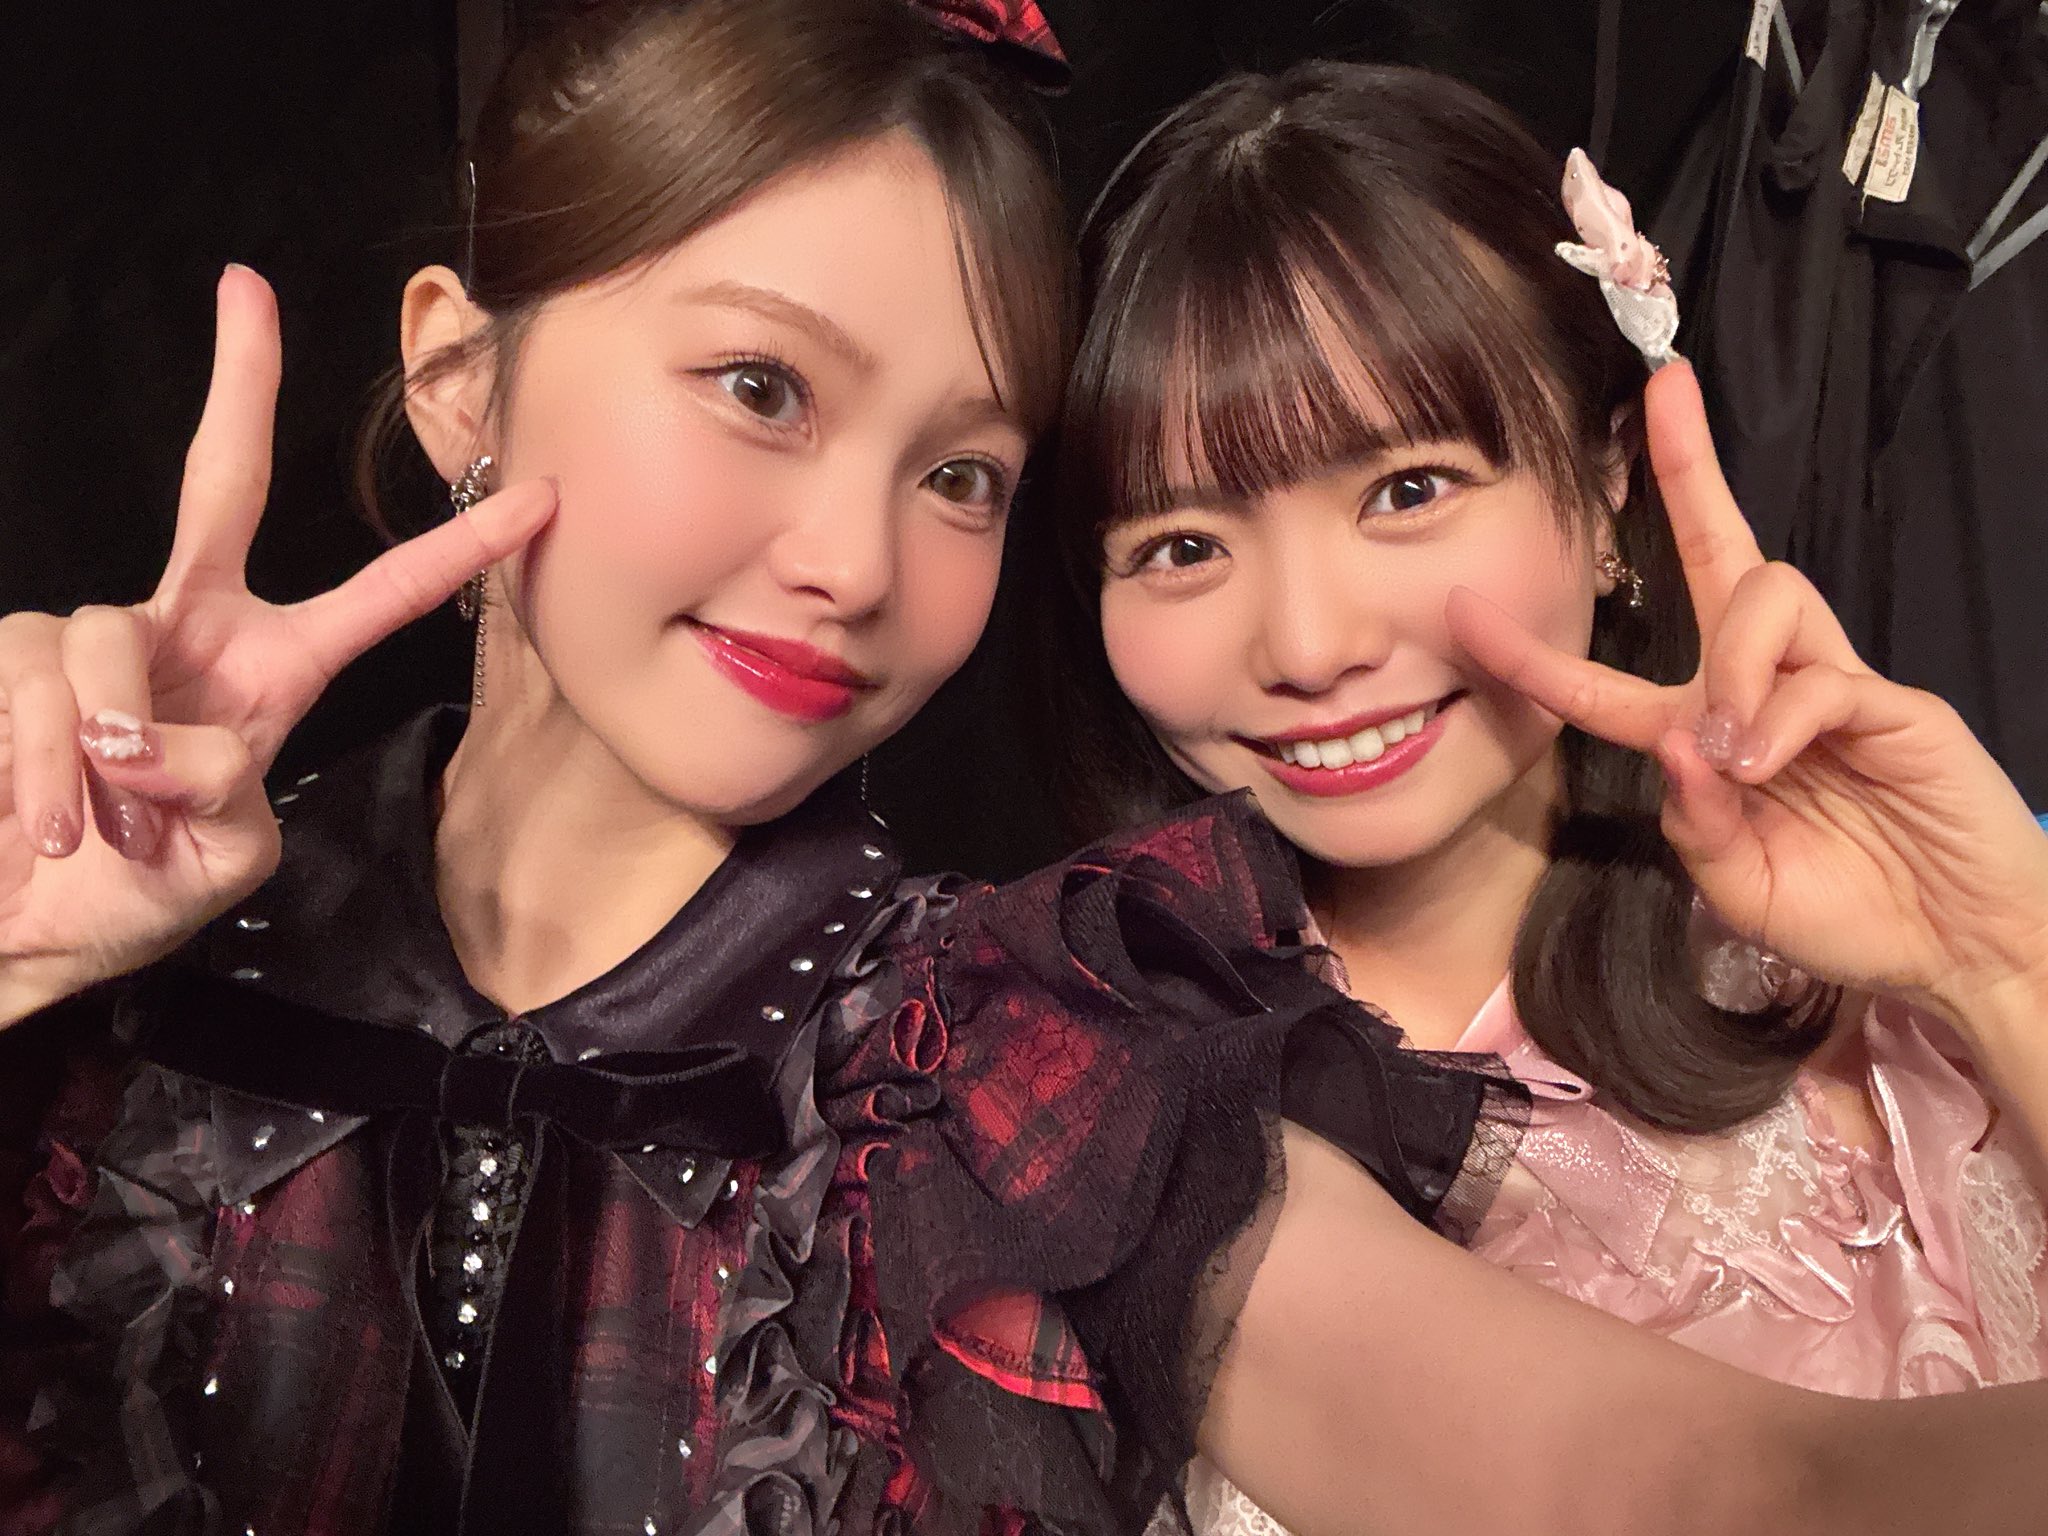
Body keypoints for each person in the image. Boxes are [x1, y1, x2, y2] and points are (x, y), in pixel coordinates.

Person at [9, 10, 2048, 1535]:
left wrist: (2006, 949)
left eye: (964, 473)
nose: (853, 560)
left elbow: (1714, 1488)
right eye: (759, 387)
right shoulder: (107, 946)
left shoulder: (1016, 1061)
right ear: (464, 376)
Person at [1040, 59, 2048, 1534]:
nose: (1309, 647)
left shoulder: (1896, 933)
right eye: (1183, 546)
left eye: (1407, 488)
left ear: (1606, 477)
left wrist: (2001, 959)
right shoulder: (1089, 1100)